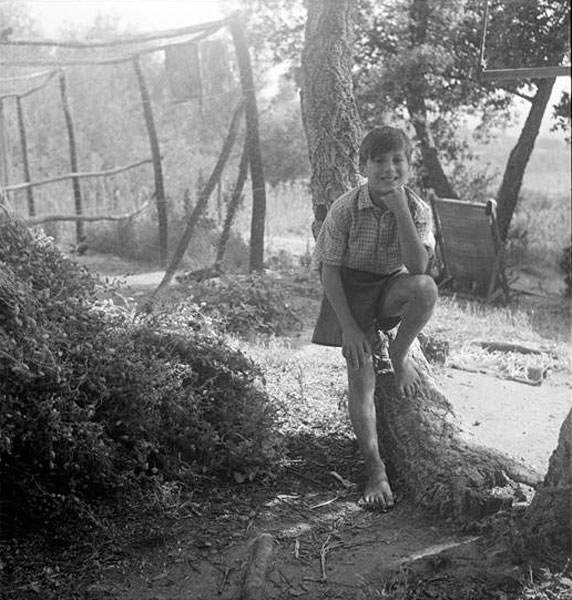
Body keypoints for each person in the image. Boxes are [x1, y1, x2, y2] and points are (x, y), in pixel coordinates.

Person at [312, 125, 438, 510]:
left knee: (425, 289)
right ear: (363, 166)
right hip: (350, 293)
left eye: (397, 160)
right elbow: (329, 271)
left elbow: (419, 267)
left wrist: (399, 208)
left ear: (409, 165)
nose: (389, 169)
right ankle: (375, 469)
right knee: (361, 376)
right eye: (379, 161)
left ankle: (399, 355)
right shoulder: (345, 207)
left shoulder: (416, 208)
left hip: (390, 286)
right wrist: (349, 326)